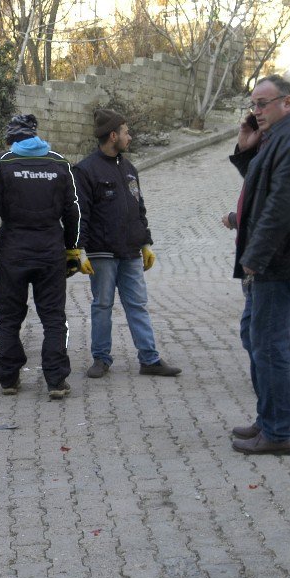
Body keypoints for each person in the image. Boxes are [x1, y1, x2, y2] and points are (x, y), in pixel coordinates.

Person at [227, 75, 290, 455]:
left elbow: (282, 208)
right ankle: (268, 419)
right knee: (256, 338)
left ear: (287, 102)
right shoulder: (279, 138)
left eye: (263, 103)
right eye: (253, 105)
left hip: (280, 263)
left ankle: (279, 432)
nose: (256, 111)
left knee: (269, 346)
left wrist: (255, 258)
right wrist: (246, 146)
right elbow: (260, 188)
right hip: (273, 261)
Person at [0, 113, 83, 400]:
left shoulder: (3, 165)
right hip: (50, 252)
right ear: (35, 135)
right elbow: (73, 211)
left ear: (11, 139)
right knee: (54, 319)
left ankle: (9, 378)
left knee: (9, 317)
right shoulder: (59, 164)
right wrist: (72, 248)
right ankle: (56, 380)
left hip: (13, 254)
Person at [72, 109, 181, 380]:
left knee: (138, 305)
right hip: (102, 253)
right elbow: (80, 214)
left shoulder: (129, 169)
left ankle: (150, 359)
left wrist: (145, 242)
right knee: (102, 305)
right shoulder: (85, 170)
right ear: (112, 136)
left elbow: (138, 208)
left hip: (131, 251)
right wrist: (78, 249)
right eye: (125, 132)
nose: (129, 137)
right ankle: (101, 358)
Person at [223, 213, 290, 391]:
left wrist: (234, 219)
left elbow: (267, 214)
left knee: (273, 325)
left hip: (283, 262)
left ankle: (281, 382)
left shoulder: (282, 185)